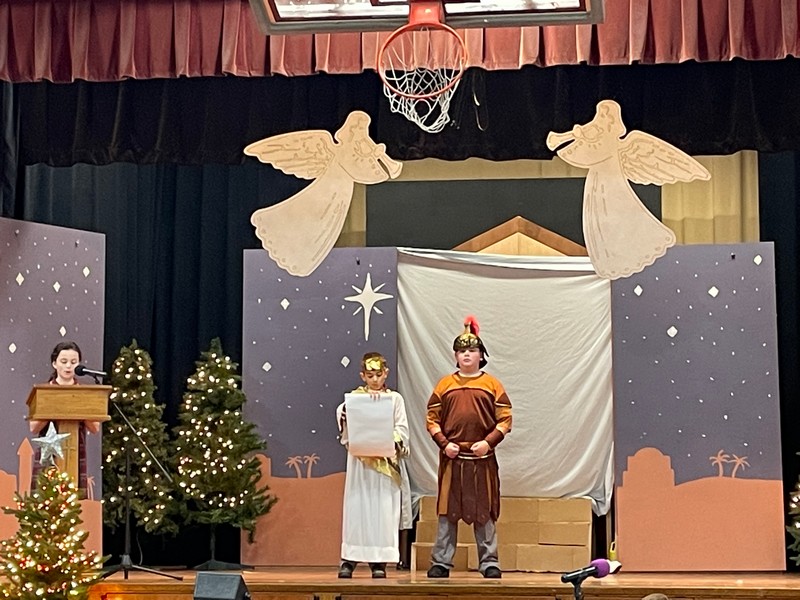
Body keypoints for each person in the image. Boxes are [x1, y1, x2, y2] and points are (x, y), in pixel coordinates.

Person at [426, 316, 512, 579]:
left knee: (484, 511)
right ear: (455, 355)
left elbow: (505, 420)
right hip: (452, 459)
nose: (466, 354)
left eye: (472, 350)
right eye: (461, 351)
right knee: (447, 512)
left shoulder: (492, 385)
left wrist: (488, 442)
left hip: (482, 460)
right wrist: (444, 444)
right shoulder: (445, 385)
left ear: (481, 355)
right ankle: (441, 561)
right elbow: (432, 419)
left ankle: (489, 561)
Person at [336, 352, 411, 578]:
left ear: (386, 373)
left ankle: (379, 560)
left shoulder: (394, 399)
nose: (375, 379)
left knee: (383, 510)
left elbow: (402, 428)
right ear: (363, 376)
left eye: (379, 374)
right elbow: (343, 419)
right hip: (361, 464)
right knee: (357, 508)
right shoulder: (354, 399)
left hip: (384, 464)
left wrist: (389, 440)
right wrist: (346, 413)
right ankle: (350, 558)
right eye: (370, 375)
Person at [30, 341, 99, 494]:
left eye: (73, 362)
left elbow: (95, 428)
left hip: (75, 452)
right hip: (49, 453)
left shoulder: (84, 393)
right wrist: (54, 406)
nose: (68, 366)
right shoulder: (44, 392)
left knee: (73, 502)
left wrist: (79, 407)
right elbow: (33, 428)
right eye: (64, 361)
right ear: (54, 364)